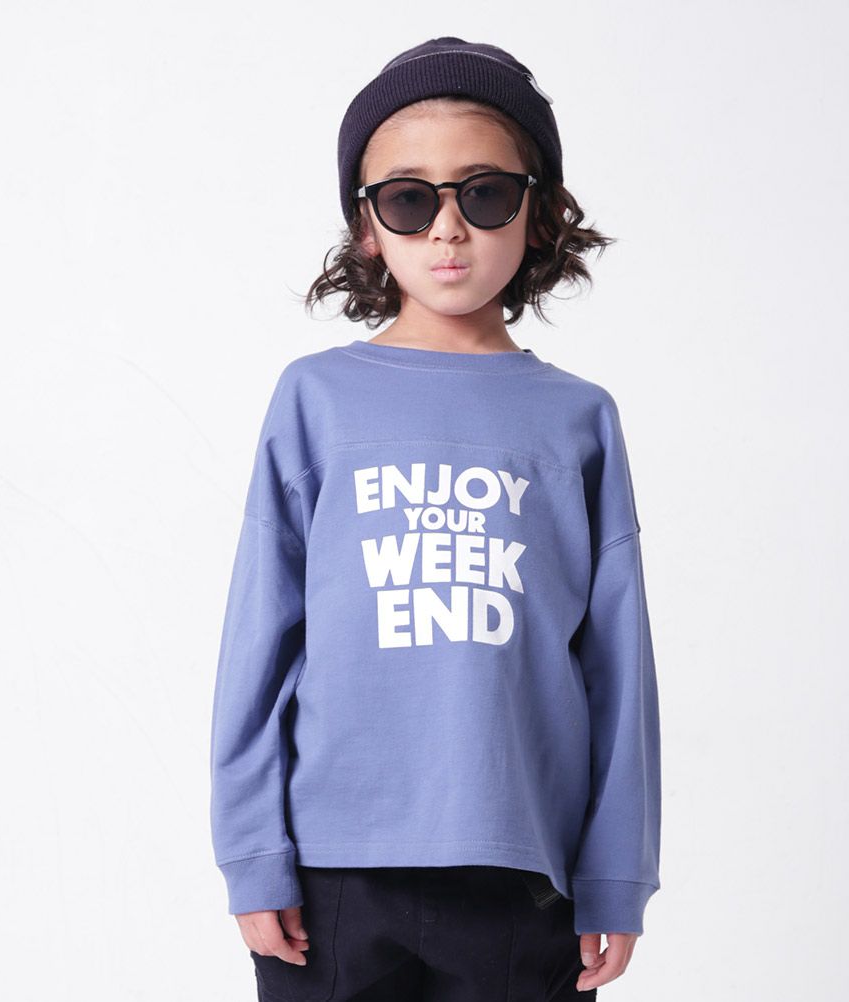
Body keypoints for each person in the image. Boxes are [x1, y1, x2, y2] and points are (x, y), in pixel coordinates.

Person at [209, 36, 662, 1001]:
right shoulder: (316, 399)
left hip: (521, 871)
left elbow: (618, 664)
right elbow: (260, 639)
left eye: (484, 193)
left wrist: (618, 873)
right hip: (332, 869)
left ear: (537, 213)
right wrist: (251, 852)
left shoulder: (579, 419)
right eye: (410, 200)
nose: (448, 229)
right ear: (368, 226)